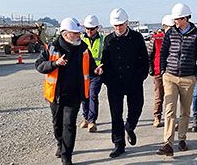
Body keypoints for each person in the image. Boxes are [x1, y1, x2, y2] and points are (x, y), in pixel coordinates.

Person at [35, 17, 103, 165]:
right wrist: (54, 63)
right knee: (57, 124)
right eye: (75, 33)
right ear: (65, 34)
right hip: (56, 95)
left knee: (69, 125)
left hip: (74, 95)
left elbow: (91, 65)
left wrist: (96, 70)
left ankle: (67, 156)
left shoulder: (83, 48)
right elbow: (39, 65)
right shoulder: (52, 47)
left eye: (79, 33)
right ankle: (60, 143)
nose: (79, 35)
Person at [157, 3, 197, 156]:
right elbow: (163, 52)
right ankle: (168, 143)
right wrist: (164, 71)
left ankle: (182, 138)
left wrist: (196, 76)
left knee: (185, 111)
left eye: (177, 19)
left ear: (185, 18)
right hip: (170, 77)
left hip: (188, 78)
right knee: (170, 109)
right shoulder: (170, 33)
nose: (175, 22)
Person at [100, 8, 149, 158]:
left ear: (127, 23)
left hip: (134, 81)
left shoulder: (137, 37)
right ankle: (118, 144)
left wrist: (140, 76)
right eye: (115, 26)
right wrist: (106, 79)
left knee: (137, 107)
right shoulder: (109, 39)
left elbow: (144, 60)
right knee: (116, 114)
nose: (118, 28)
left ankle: (130, 126)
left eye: (121, 25)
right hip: (115, 83)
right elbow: (105, 61)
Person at [147, 15, 174, 128]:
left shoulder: (176, 38)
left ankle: (171, 119)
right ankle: (157, 117)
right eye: (169, 27)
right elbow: (149, 54)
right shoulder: (156, 38)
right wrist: (151, 70)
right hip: (158, 72)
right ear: (164, 26)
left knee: (171, 97)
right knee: (159, 96)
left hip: (172, 72)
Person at [79, 15, 104, 132]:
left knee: (93, 95)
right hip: (83, 73)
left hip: (96, 73)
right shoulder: (80, 40)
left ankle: (92, 121)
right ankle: (86, 117)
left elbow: (106, 56)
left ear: (97, 28)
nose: (89, 31)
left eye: (92, 29)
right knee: (84, 97)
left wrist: (102, 67)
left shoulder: (102, 40)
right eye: (87, 28)